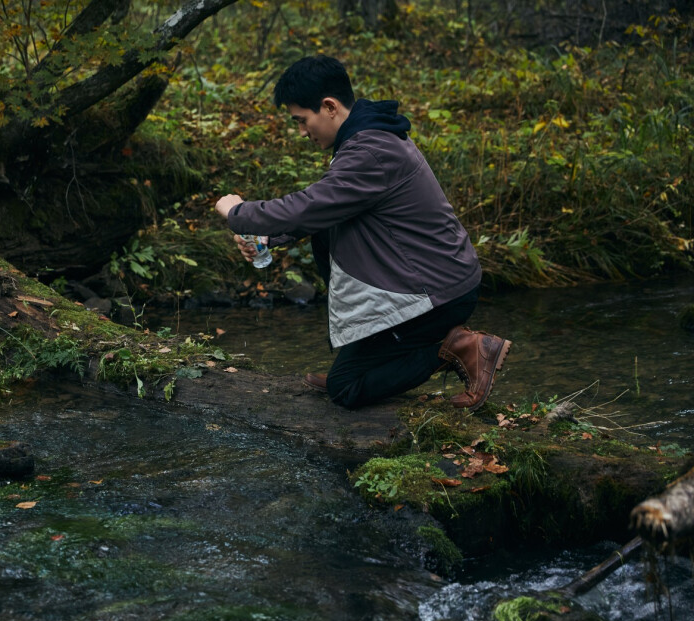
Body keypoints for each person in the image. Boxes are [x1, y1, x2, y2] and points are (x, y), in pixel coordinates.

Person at [214, 55, 510, 410]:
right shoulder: (368, 139)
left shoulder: (371, 150)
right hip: (431, 279)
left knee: (346, 388)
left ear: (329, 106)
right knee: (350, 371)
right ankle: (367, 367)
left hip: (437, 291)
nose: (302, 132)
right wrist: (270, 238)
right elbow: (328, 210)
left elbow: (310, 206)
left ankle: (461, 347)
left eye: (302, 121)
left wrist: (238, 213)